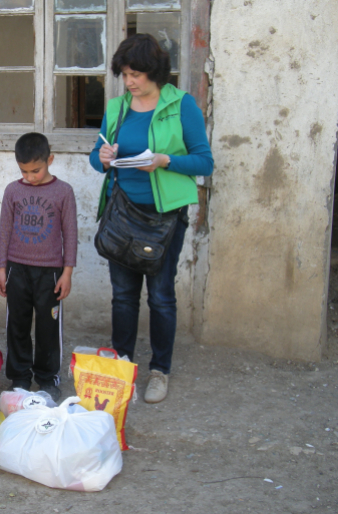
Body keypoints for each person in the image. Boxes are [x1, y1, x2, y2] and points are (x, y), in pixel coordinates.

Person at [89, 34, 214, 404]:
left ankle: (160, 370)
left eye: (136, 74)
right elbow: (97, 158)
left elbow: (204, 162)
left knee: (160, 297)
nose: (129, 82)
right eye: (125, 74)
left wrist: (164, 160)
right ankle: (122, 367)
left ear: (154, 71)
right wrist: (105, 157)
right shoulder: (117, 108)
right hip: (122, 214)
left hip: (164, 218)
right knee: (123, 297)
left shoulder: (181, 105)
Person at [0, 132, 78, 402]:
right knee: (17, 324)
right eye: (24, 171)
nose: (30, 176)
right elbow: (5, 230)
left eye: (36, 170)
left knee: (47, 328)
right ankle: (19, 376)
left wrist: (67, 272)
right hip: (17, 269)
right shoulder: (13, 191)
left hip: (50, 273)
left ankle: (47, 377)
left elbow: (71, 234)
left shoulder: (63, 191)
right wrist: (2, 268)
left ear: (50, 160)